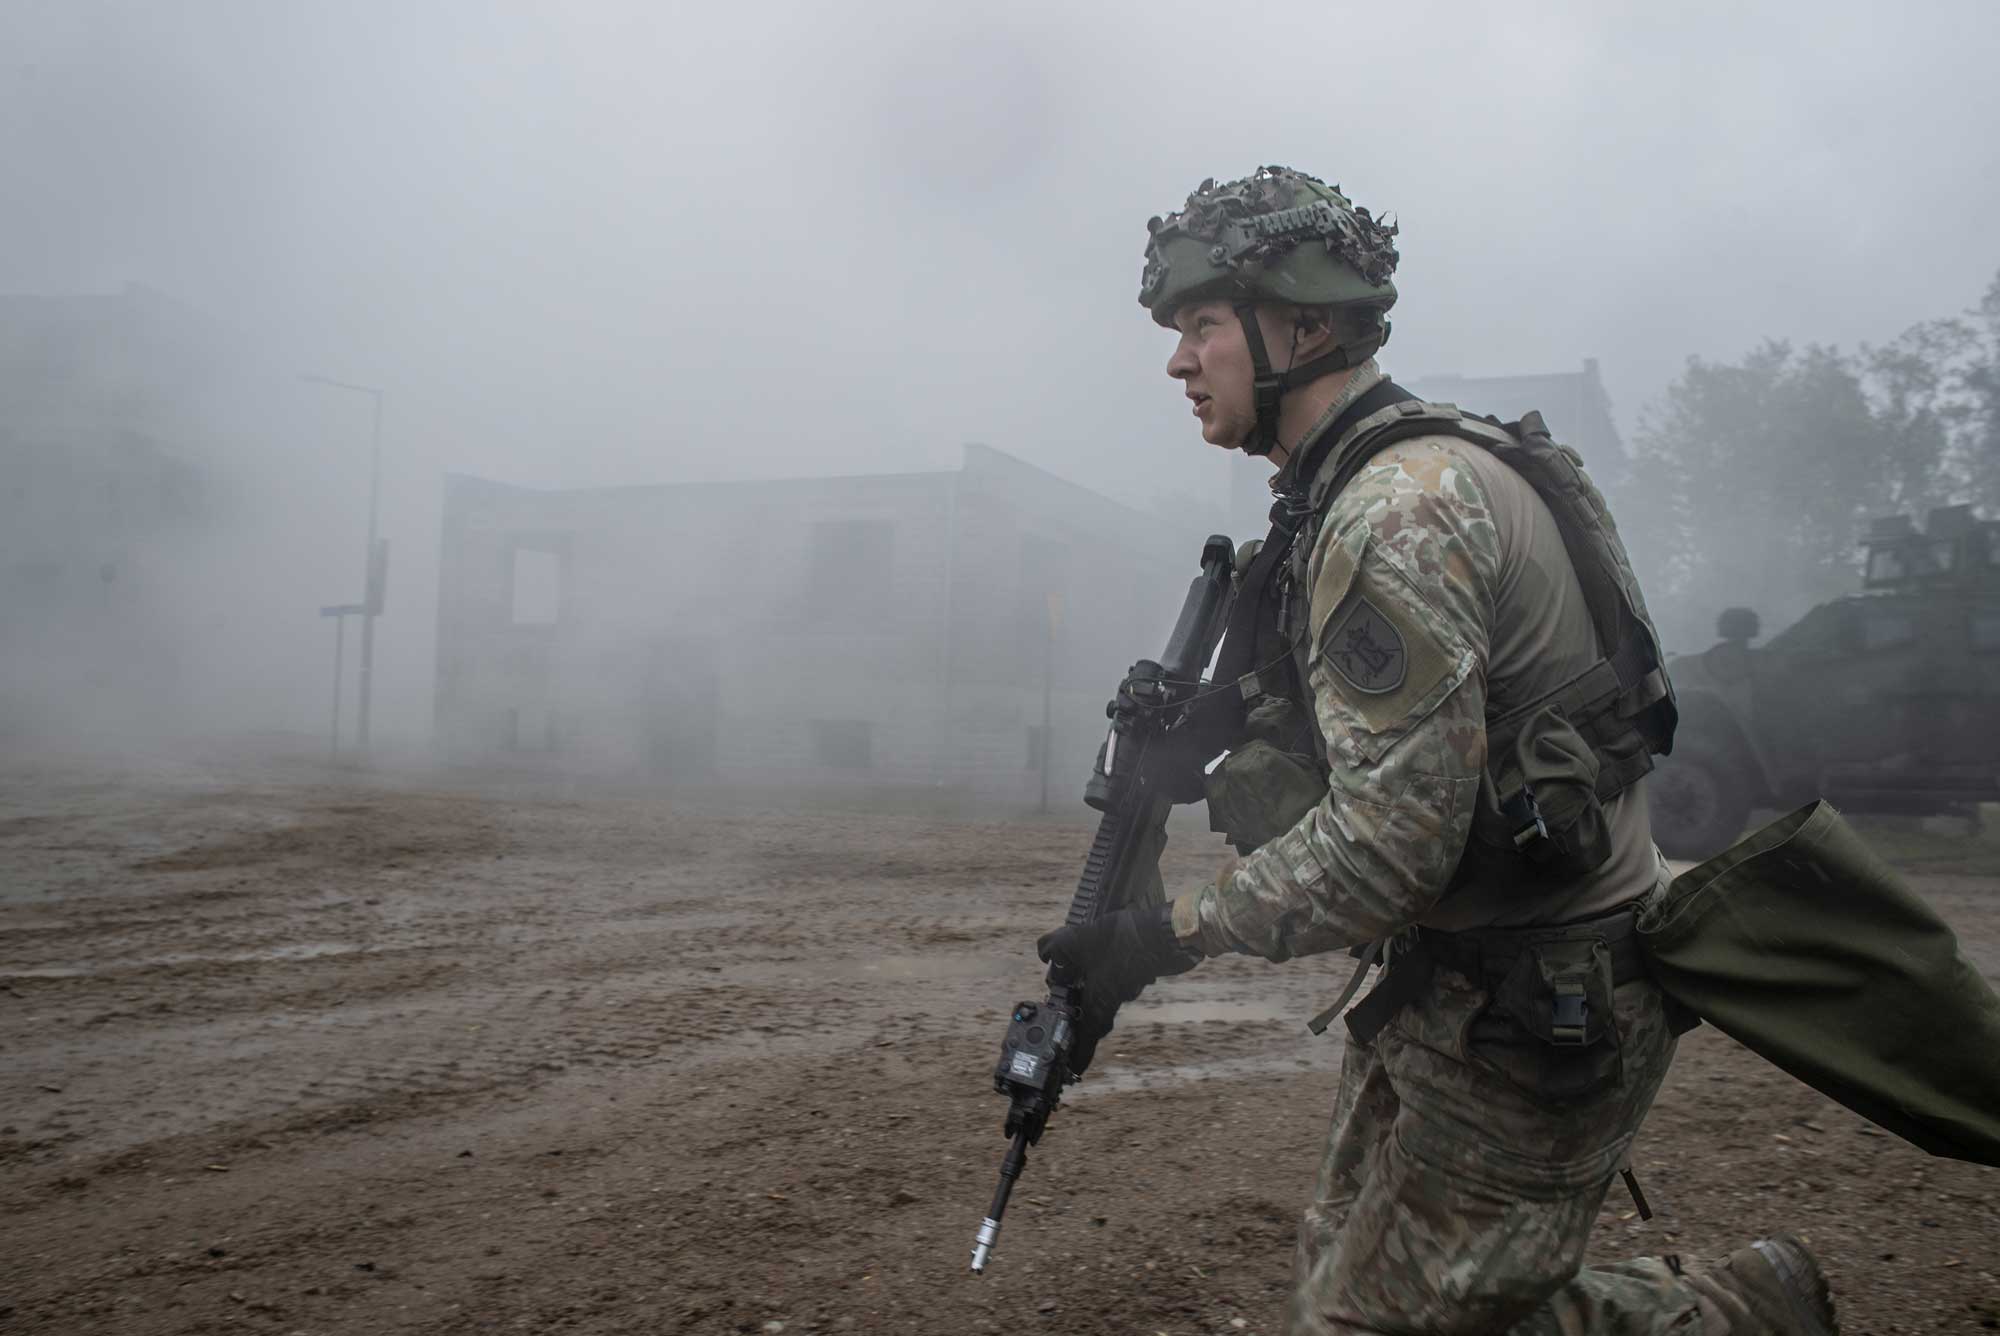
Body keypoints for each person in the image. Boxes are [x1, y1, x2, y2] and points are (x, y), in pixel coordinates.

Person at [1036, 166, 1838, 1336]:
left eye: (1201, 324)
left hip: (1537, 1006)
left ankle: (1729, 1309)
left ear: (1301, 325)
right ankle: (1736, 1305)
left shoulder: (1393, 512)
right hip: (1462, 979)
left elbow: (1389, 843)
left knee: (1370, 1322)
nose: (1176, 360)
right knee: (1359, 1287)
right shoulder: (1404, 470)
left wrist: (1164, 937)